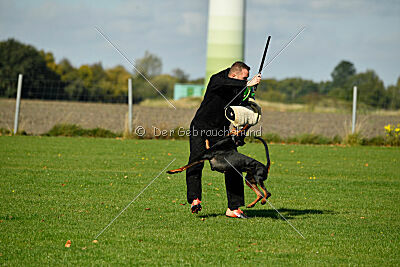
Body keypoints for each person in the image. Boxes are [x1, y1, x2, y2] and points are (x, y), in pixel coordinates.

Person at [186, 61, 261, 219]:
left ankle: (233, 208)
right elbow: (228, 83)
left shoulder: (239, 86)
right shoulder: (217, 80)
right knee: (195, 161)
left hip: (220, 131)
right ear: (234, 75)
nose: (245, 80)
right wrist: (248, 83)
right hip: (200, 126)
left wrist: (250, 95)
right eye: (243, 77)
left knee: (233, 164)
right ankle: (194, 199)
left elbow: (241, 108)